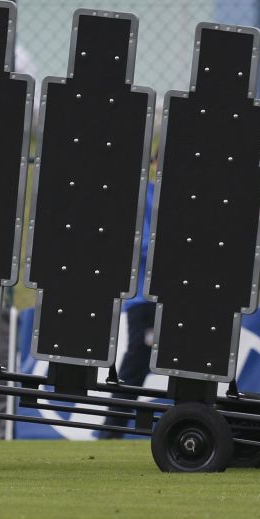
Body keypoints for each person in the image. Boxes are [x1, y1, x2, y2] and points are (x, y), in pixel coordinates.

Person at [99, 181, 156, 439]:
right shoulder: (142, 191)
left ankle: (112, 429)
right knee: (137, 362)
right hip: (144, 299)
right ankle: (112, 429)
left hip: (160, 298)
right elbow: (141, 243)